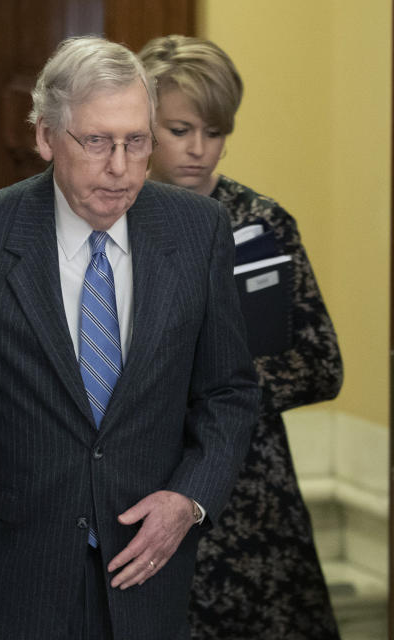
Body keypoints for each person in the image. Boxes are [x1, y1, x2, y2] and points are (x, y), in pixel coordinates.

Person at [0, 36, 260, 640]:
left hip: (145, 580)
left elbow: (229, 392)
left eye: (136, 142)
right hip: (6, 584)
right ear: (45, 137)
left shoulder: (199, 231)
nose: (120, 167)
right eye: (96, 142)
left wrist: (188, 500)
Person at [139, 35, 344, 640]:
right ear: (145, 126)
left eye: (216, 131)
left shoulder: (262, 222)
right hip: (146, 477)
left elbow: (321, 365)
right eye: (179, 130)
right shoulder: (115, 219)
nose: (200, 150)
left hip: (252, 487)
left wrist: (219, 383)